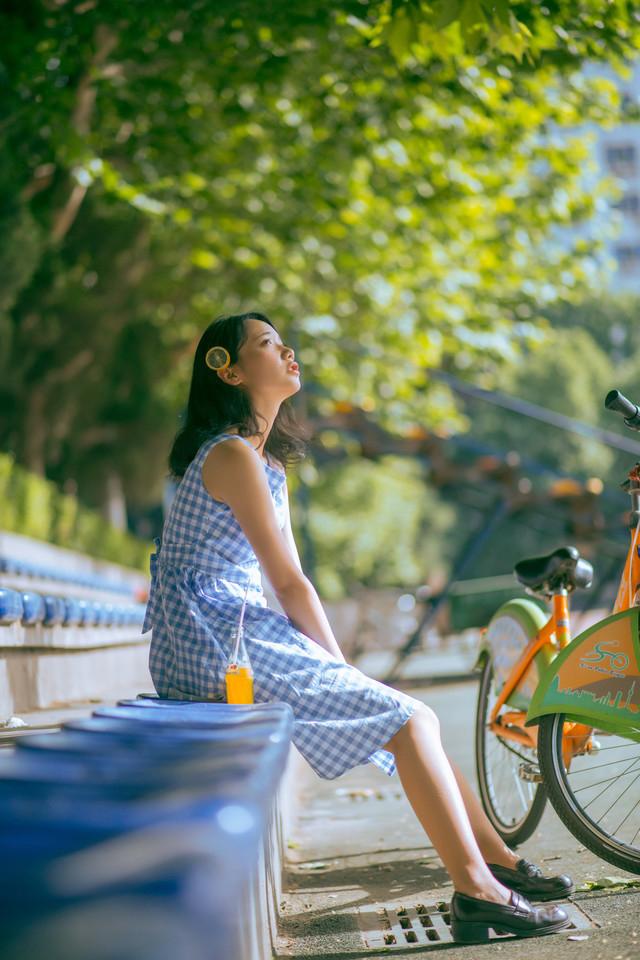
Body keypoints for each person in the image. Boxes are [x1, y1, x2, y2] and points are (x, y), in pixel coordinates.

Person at [144, 311, 573, 944]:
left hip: (230, 630)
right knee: (406, 720)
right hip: (208, 640)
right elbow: (288, 582)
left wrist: (336, 665)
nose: (287, 351)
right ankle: (478, 890)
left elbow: (282, 586)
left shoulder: (261, 461)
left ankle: (498, 865)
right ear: (228, 371)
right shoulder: (232, 455)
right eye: (267, 344)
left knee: (407, 713)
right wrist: (339, 664)